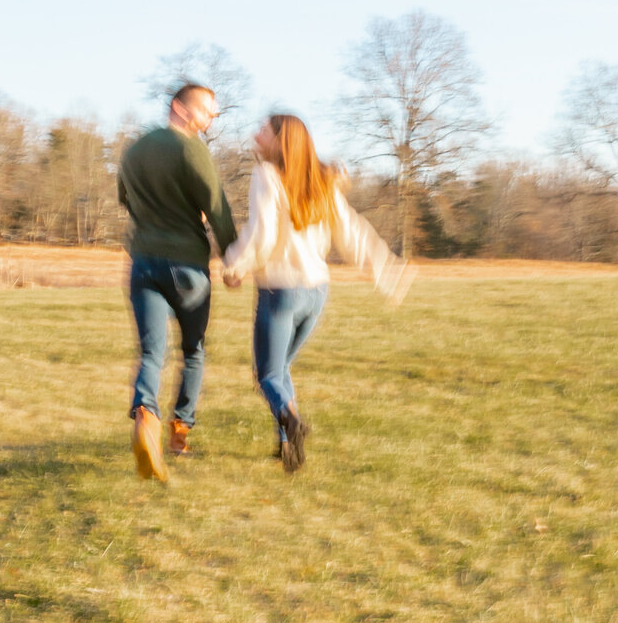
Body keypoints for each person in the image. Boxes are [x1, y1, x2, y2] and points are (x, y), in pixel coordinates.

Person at [222, 113, 410, 471]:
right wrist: (385, 267)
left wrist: (234, 266)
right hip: (316, 294)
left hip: (281, 290)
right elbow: (352, 231)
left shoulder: (266, 176)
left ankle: (291, 423)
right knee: (281, 368)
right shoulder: (322, 182)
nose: (257, 133)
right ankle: (287, 449)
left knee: (267, 376)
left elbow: (260, 234)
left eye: (265, 129)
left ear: (280, 140)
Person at [117, 82, 236, 481]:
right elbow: (217, 206)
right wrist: (233, 256)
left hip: (143, 263)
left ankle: (146, 418)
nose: (211, 120)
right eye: (207, 112)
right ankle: (180, 432)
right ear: (181, 109)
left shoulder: (134, 150)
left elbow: (125, 198)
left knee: (151, 352)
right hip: (186, 268)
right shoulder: (190, 148)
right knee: (194, 351)